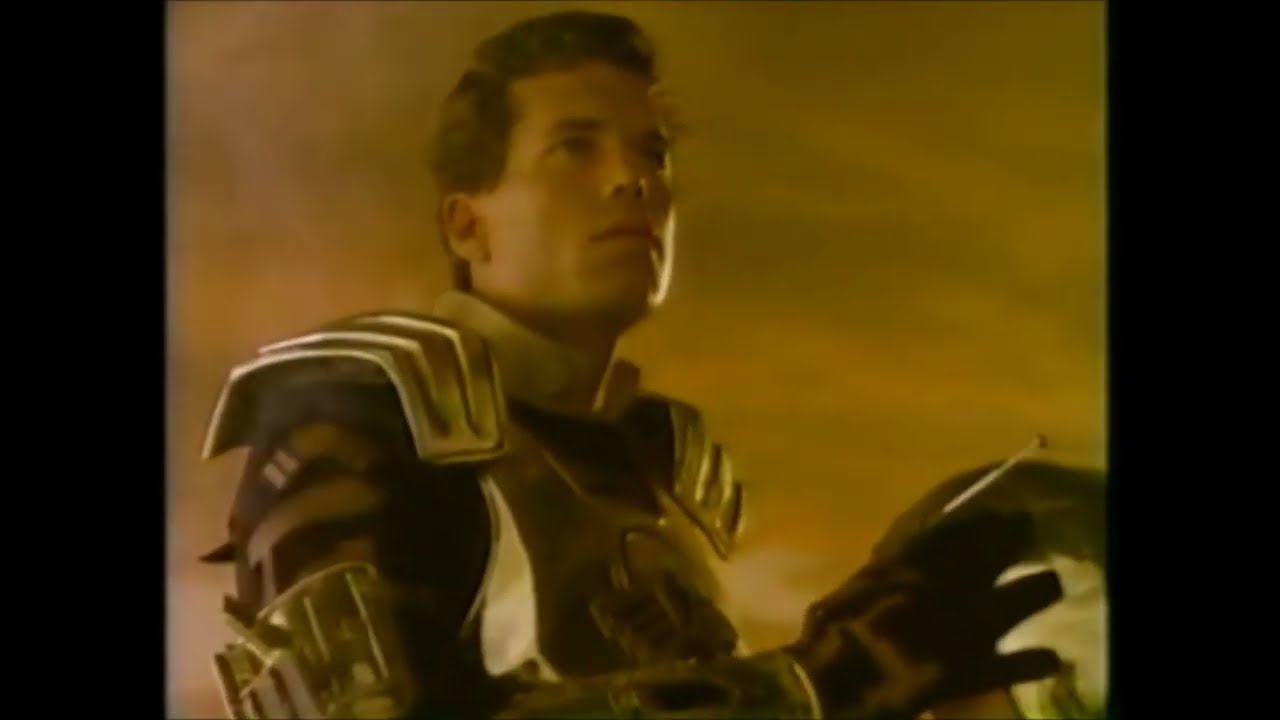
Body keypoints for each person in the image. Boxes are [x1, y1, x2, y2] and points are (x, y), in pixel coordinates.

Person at [197, 11, 1068, 719]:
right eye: (575, 147)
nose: (633, 180)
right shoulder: (356, 414)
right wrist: (817, 685)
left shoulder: (665, 469)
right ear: (468, 225)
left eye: (653, 152)